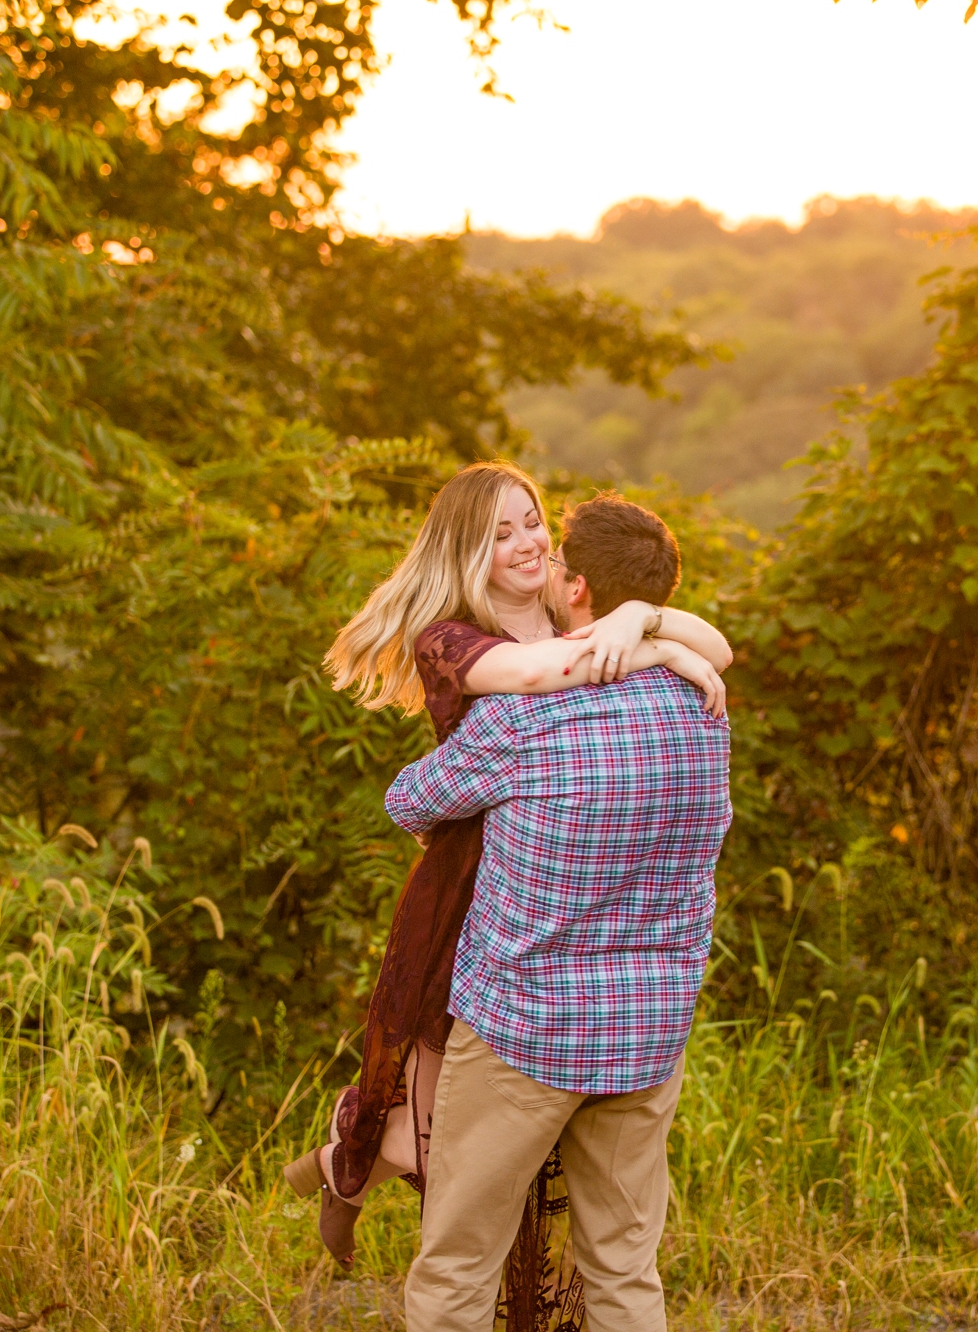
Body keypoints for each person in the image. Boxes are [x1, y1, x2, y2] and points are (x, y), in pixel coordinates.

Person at [287, 462, 731, 1312]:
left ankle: (341, 1166)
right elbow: (673, 656)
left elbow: (410, 798)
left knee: (457, 1261)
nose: (529, 544)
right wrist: (660, 637)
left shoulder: (523, 719)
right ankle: (343, 1167)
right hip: (648, 1018)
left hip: (529, 1009)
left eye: (536, 526)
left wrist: (644, 626)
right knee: (627, 1268)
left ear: (577, 584)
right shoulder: (701, 705)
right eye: (504, 532)